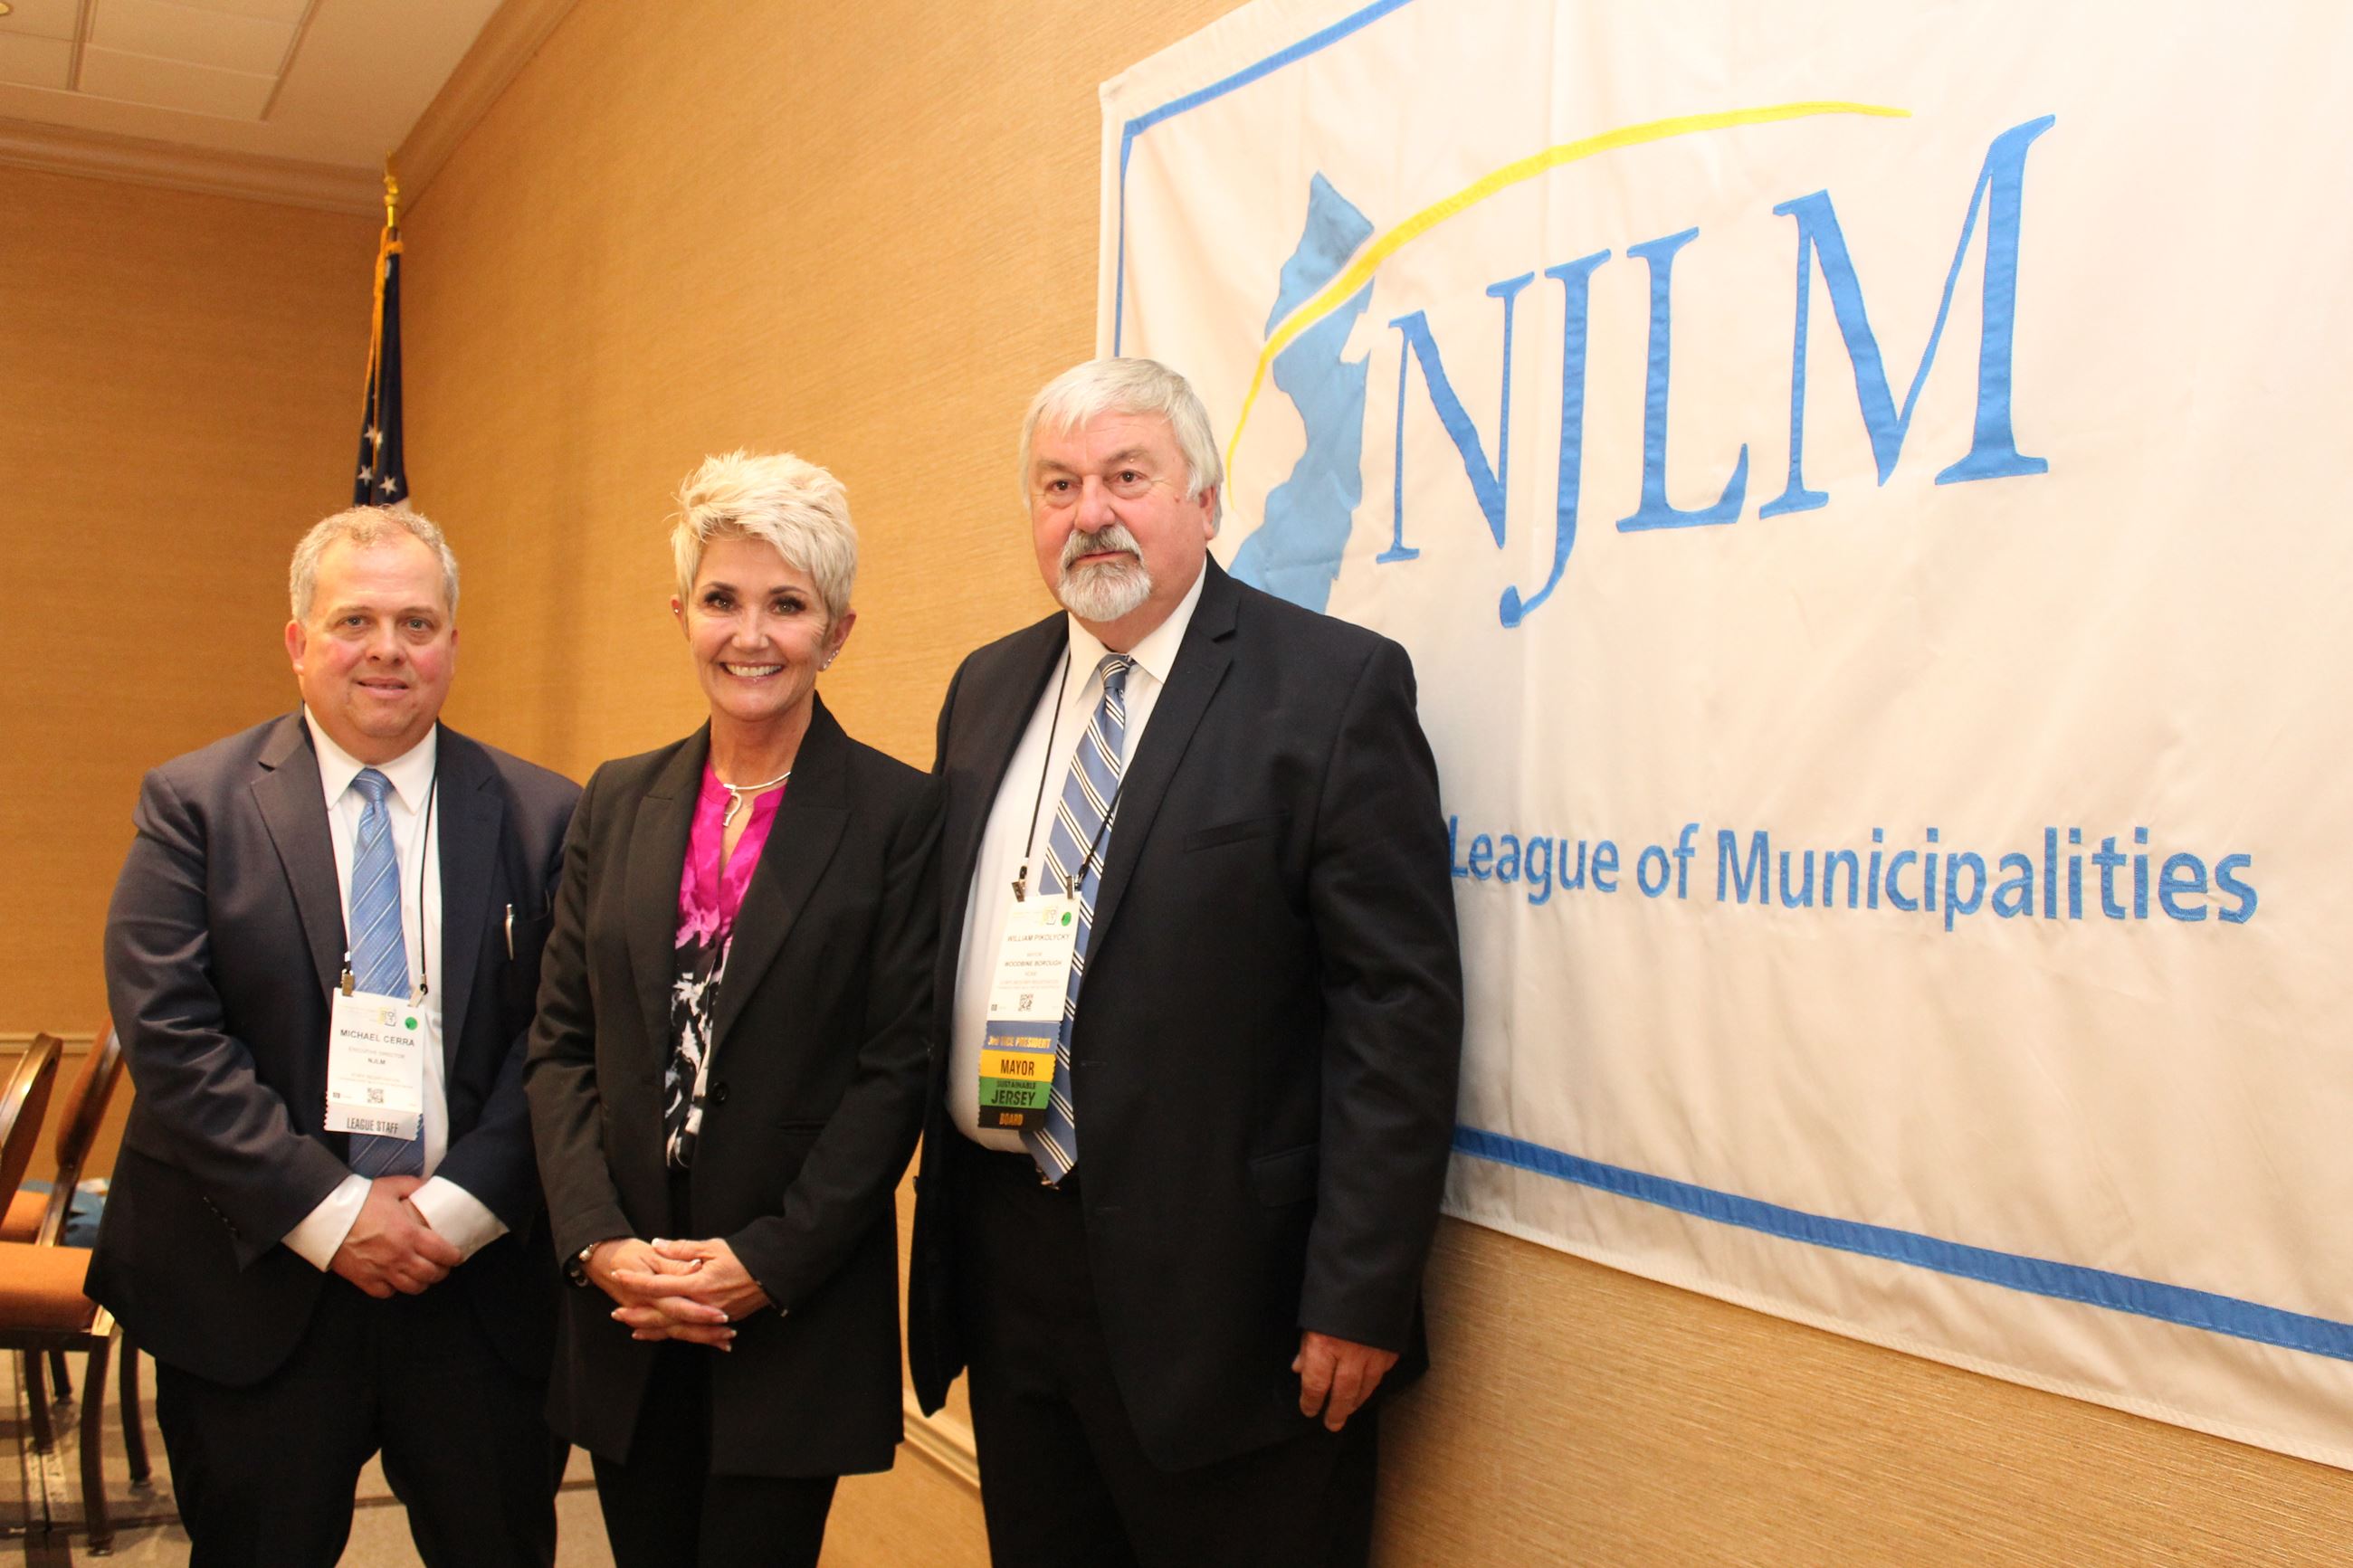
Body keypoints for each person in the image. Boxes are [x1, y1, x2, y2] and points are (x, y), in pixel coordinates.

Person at [907, 357, 1464, 1566]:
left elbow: (1396, 1014)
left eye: (1127, 475)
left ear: (1206, 501)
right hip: (1014, 1272)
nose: (1091, 511)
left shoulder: (1329, 689)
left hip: (1239, 1309)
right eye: (1058, 484)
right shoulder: (988, 687)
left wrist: (1357, 1293)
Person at [88, 506, 579, 1566]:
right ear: (298, 639)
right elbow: (172, 1037)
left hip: (476, 1286)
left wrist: (450, 1211)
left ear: (452, 640)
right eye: (355, 618)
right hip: (256, 1283)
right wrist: (332, 1209)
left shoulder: (547, 814)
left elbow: (562, 1040)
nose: (388, 650)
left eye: (418, 621)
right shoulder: (195, 806)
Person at [525, 451, 940, 1568]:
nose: (749, 634)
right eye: (721, 600)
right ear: (682, 614)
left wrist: (767, 1261)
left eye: (786, 605)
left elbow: (893, 1069)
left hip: (787, 1307)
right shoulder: (616, 796)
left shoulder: (900, 814)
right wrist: (599, 1242)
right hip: (626, 1301)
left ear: (838, 629)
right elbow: (559, 1043)